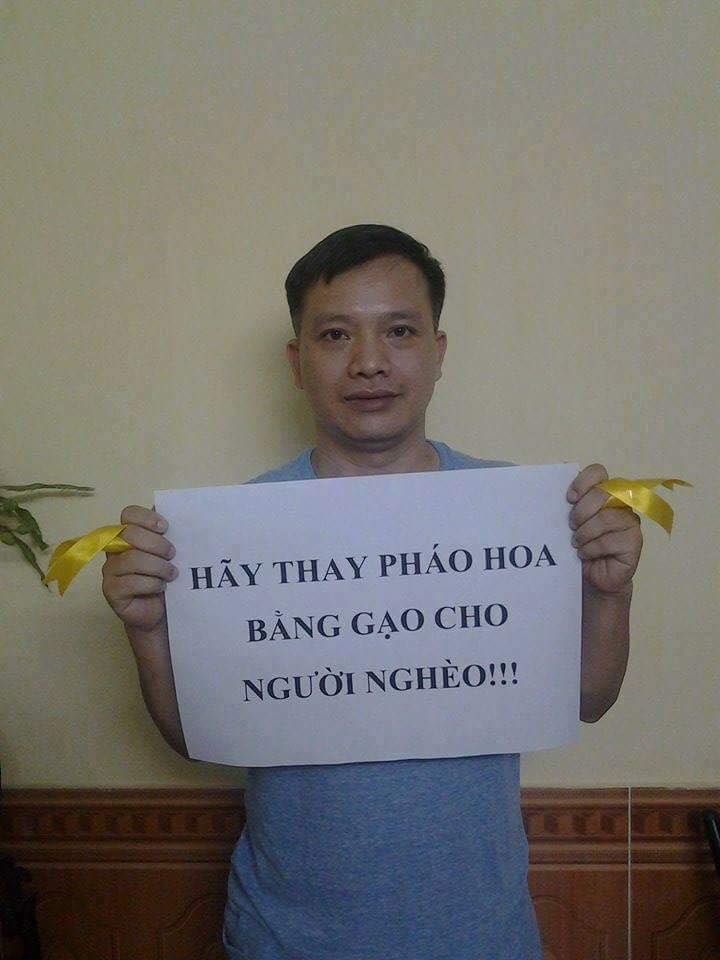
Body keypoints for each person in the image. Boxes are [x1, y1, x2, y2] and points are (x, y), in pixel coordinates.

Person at [101, 224, 643, 959]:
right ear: (296, 362)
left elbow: (587, 699)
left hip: (480, 937)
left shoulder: (520, 511)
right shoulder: (231, 530)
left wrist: (610, 593)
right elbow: (196, 735)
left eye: (399, 331)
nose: (369, 362)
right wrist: (146, 631)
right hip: (285, 940)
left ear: (439, 352)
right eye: (334, 335)